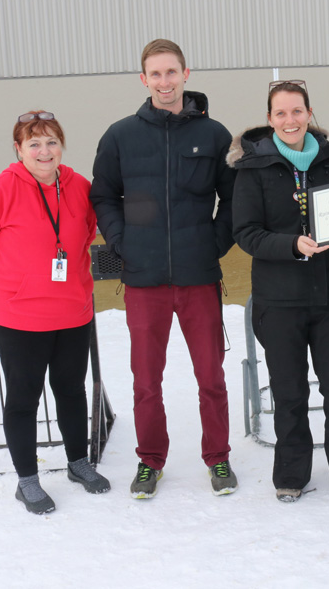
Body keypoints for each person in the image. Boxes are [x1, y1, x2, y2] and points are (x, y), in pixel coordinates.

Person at [90, 39, 238, 498]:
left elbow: (234, 199)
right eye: (155, 74)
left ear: (186, 74)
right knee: (146, 380)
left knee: (211, 376)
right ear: (143, 79)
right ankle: (150, 461)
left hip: (198, 278)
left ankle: (218, 458)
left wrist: (212, 245)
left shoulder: (213, 135)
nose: (164, 81)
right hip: (144, 280)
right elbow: (103, 196)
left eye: (171, 72)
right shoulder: (120, 136)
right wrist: (122, 242)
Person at [230, 80, 329, 504]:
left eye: (297, 111)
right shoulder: (252, 170)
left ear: (309, 113)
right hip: (279, 301)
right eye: (281, 113)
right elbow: (246, 233)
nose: (290, 120)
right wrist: (291, 245)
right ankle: (291, 475)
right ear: (270, 119)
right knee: (289, 391)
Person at [0, 111, 110, 514]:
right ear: (19, 149)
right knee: (24, 398)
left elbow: (90, 231)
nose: (44, 152)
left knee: (71, 391)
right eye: (34, 144)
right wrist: (16, 276)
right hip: (19, 316)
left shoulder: (79, 186)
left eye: (51, 142)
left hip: (73, 311)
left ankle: (79, 464)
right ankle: (27, 480)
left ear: (61, 146)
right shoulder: (2, 189)